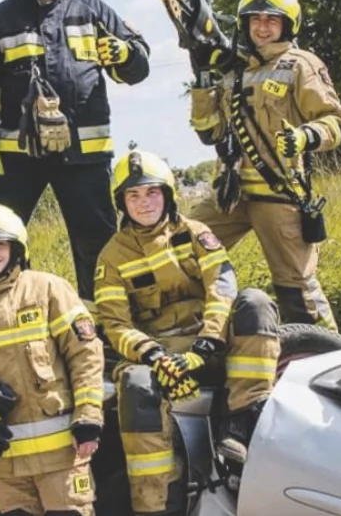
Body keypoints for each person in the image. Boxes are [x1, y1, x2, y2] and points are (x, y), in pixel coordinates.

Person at [0, 0, 151, 308]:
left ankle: (105, 328)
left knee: (97, 247)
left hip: (84, 159)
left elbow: (137, 68)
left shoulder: (92, 9)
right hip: (17, 159)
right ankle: (3, 321)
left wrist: (126, 54)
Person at [94, 149, 281, 514]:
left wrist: (207, 342)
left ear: (167, 194)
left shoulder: (196, 233)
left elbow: (222, 286)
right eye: (133, 195)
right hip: (162, 353)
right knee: (134, 385)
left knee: (256, 303)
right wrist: (157, 357)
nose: (144, 202)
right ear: (121, 202)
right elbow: (115, 324)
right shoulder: (111, 257)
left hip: (210, 340)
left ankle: (240, 426)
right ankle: (157, 505)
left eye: (151, 192)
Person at [160, 0, 341, 331]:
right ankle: (189, 333)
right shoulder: (234, 69)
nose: (262, 27)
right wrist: (202, 78)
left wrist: (306, 136)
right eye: (255, 19)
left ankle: (332, 357)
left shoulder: (300, 65)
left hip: (278, 196)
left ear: (287, 24)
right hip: (230, 195)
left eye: (271, 19)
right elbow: (209, 132)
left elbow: (335, 123)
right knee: (178, 251)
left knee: (297, 290)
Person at [0, 201, 105, 516]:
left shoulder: (49, 289)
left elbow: (85, 355)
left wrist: (89, 417)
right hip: (4, 465)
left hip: (62, 459)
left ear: (17, 247)